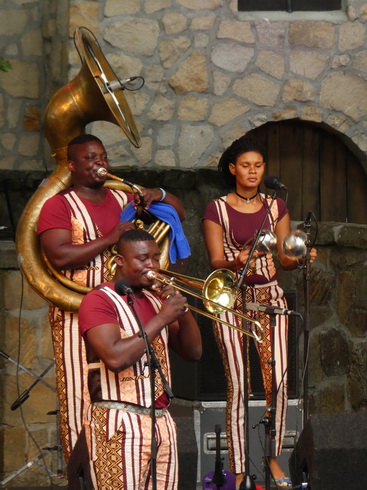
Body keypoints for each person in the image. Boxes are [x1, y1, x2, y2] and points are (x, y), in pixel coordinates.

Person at [37, 133, 186, 464]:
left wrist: (158, 193)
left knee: (133, 387)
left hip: (130, 307)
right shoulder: (58, 204)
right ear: (72, 166)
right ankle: (86, 474)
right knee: (82, 394)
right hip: (77, 310)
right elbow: (59, 257)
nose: (99, 163)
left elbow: (178, 214)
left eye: (102, 156)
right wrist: (110, 239)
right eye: (89, 158)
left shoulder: (123, 200)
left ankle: (135, 461)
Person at [202, 136, 317, 489]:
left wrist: (299, 258)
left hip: (270, 298)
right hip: (231, 299)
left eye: (259, 166)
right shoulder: (216, 209)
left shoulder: (276, 206)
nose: (253, 171)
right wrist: (235, 261)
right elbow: (215, 261)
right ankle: (238, 469)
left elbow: (283, 258)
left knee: (278, 383)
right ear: (233, 169)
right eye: (246, 165)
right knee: (238, 384)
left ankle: (272, 457)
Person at [78, 228, 202, 488]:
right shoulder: (98, 300)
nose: (152, 265)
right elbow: (114, 358)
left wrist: (183, 310)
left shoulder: (157, 301)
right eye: (142, 259)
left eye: (156, 258)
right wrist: (163, 318)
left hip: (162, 421)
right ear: (120, 260)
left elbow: (193, 353)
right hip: (119, 423)